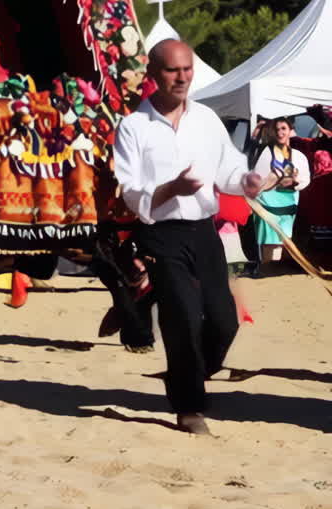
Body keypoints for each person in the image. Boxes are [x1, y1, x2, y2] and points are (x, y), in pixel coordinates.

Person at [113, 40, 263, 435]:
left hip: (203, 231)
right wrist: (169, 190)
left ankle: (189, 373)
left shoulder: (207, 120)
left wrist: (245, 180)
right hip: (160, 235)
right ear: (153, 75)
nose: (182, 78)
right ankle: (189, 407)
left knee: (223, 320)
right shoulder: (133, 127)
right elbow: (130, 190)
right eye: (172, 70)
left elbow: (229, 166)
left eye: (187, 69)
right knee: (180, 317)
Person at [251, 117, 310, 276]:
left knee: (284, 243)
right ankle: (267, 274)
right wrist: (274, 180)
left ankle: (273, 277)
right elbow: (257, 184)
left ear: (290, 131)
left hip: (288, 205)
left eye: (283, 128)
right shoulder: (266, 154)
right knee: (271, 244)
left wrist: (295, 182)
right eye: (277, 129)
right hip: (267, 205)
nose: (280, 132)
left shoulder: (298, 156)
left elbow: (305, 179)